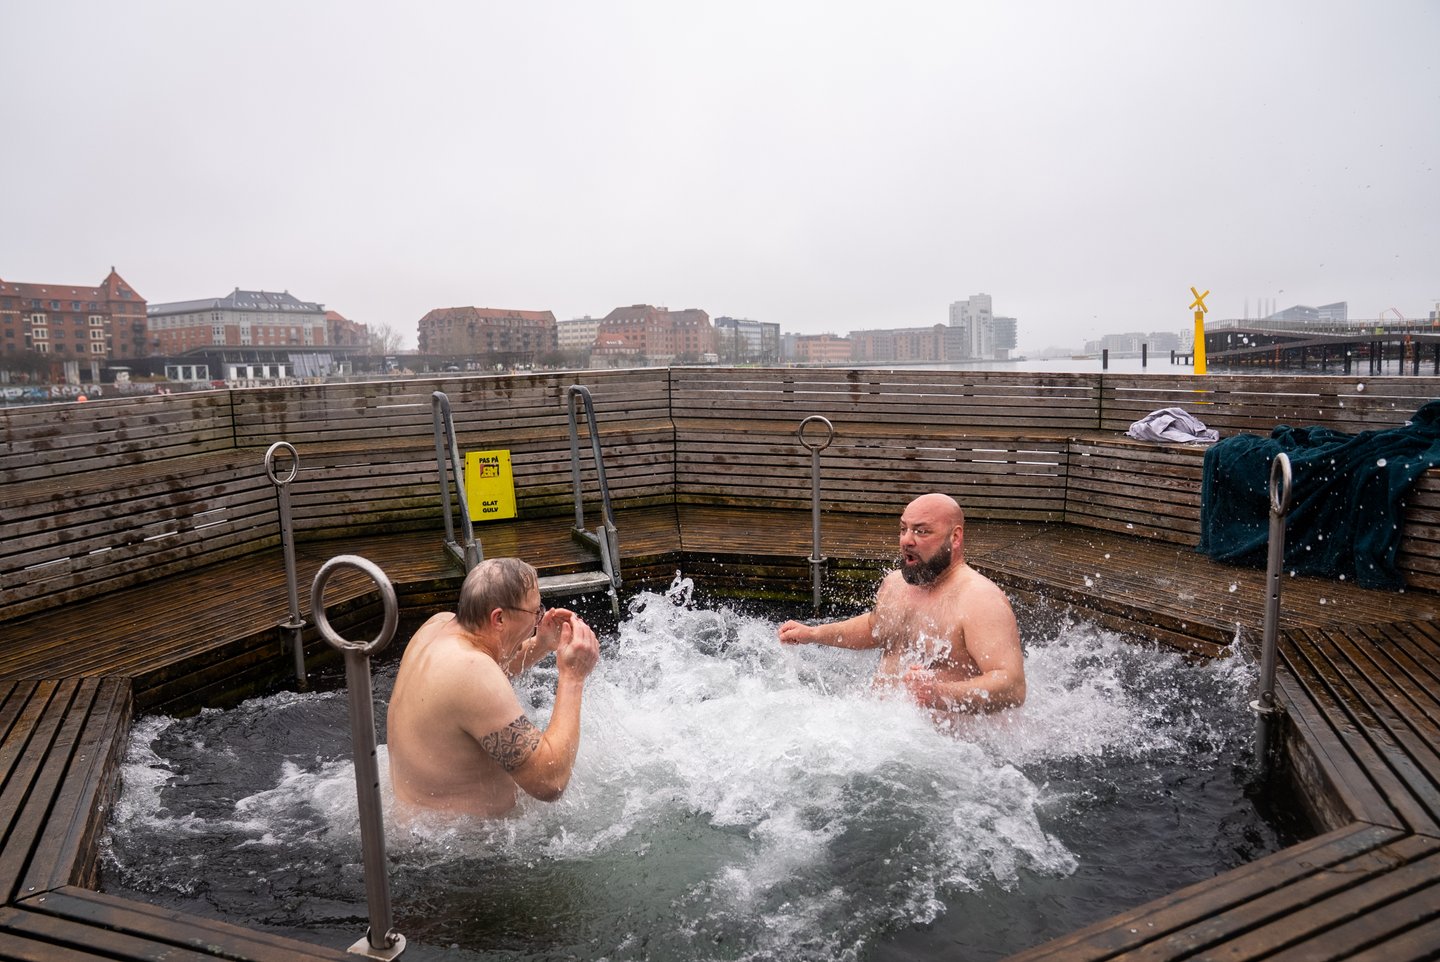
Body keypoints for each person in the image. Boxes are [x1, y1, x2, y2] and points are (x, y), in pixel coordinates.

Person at [387, 557, 601, 818]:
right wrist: (573, 677)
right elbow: (550, 781)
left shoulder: (436, 627)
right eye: (535, 612)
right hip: (459, 848)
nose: (539, 619)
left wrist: (542, 643)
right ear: (499, 618)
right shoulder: (471, 672)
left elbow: (492, 665)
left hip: (420, 825)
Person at [777, 492, 1026, 714]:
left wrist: (940, 694)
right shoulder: (896, 584)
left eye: (921, 531)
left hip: (947, 749)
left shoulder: (979, 599)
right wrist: (814, 633)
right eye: (903, 529)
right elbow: (876, 628)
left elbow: (1012, 686)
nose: (906, 540)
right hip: (885, 729)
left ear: (955, 537)